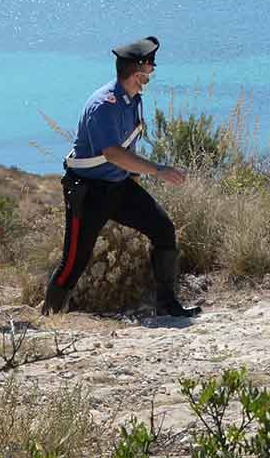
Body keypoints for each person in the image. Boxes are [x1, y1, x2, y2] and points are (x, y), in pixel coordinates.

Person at [42, 36, 201, 318]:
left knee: (163, 229)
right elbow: (113, 153)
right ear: (136, 69)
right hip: (89, 193)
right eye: (150, 65)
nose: (153, 70)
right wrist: (159, 170)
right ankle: (51, 316)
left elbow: (126, 150)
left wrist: (135, 176)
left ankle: (168, 305)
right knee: (75, 261)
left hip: (118, 186)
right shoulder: (104, 105)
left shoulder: (133, 99)